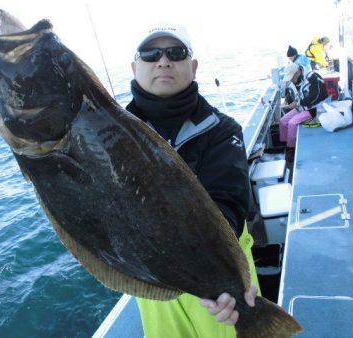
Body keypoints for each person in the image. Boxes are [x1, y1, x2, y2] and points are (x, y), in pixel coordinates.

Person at [126, 23, 259, 337]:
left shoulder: (223, 130)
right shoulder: (112, 133)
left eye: (176, 52)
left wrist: (222, 277)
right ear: (135, 67)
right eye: (150, 54)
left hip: (224, 271)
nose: (163, 61)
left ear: (193, 66)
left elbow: (229, 201)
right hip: (154, 281)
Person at [279, 62, 328, 148]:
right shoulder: (294, 80)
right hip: (301, 108)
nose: (290, 80)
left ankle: (291, 148)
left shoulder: (313, 77)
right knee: (282, 121)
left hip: (314, 110)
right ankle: (284, 145)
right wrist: (288, 100)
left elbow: (315, 97)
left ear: (298, 72)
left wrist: (298, 103)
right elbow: (291, 92)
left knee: (292, 123)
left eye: (291, 77)